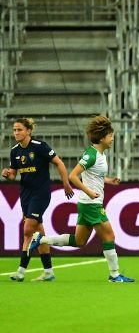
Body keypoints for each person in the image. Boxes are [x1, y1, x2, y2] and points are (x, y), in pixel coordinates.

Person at [29, 116, 134, 282]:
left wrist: (109, 180)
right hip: (91, 203)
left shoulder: (100, 154)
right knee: (109, 237)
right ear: (102, 138)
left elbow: (94, 175)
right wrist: (89, 191)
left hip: (87, 203)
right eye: (110, 135)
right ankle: (114, 275)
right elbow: (73, 176)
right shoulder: (92, 155)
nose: (112, 138)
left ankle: (41, 239)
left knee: (79, 241)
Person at [2, 118, 74, 282]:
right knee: (38, 233)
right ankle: (48, 271)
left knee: (27, 230)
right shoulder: (15, 151)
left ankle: (21, 271)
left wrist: (66, 183)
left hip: (40, 194)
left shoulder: (40, 147)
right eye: (14, 130)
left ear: (28, 131)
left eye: (19, 129)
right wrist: (8, 174)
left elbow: (59, 163)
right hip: (25, 195)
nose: (16, 133)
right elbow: (14, 175)